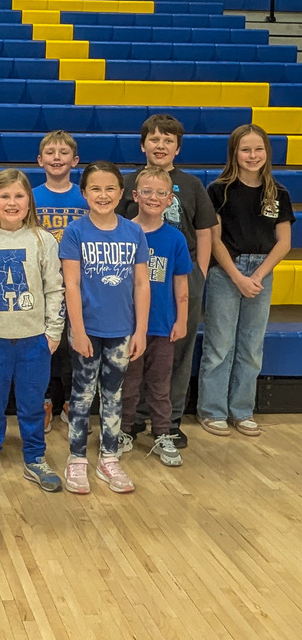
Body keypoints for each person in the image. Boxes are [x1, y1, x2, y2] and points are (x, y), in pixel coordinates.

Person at [0, 169, 65, 493]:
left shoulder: (42, 240)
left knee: (33, 401)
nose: (12, 202)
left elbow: (54, 289)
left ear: (29, 201)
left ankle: (35, 458)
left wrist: (53, 332)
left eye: (19, 196)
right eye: (4, 196)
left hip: (34, 339)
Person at [117, 114, 217, 449]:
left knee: (174, 351)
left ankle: (169, 422)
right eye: (154, 139)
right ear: (142, 144)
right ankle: (133, 419)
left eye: (168, 140)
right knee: (136, 349)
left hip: (180, 275)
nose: (161, 146)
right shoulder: (130, 182)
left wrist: (198, 273)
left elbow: (204, 232)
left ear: (178, 148)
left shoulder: (192, 186)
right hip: (137, 277)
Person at [58, 162, 149, 495]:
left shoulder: (133, 232)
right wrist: (77, 329)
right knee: (81, 396)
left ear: (122, 193)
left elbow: (142, 283)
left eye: (110, 188)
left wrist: (140, 330)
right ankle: (77, 458)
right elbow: (71, 284)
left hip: (122, 329)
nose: (103, 194)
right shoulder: (75, 232)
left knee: (113, 396)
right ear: (84, 194)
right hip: (87, 329)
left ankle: (109, 458)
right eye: (95, 188)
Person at [197, 124, 293, 438]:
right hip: (227, 272)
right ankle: (212, 411)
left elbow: (284, 242)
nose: (252, 156)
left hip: (261, 273)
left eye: (258, 149)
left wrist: (258, 276)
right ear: (234, 153)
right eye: (245, 149)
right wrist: (238, 277)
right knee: (220, 345)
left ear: (267, 152)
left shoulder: (278, 193)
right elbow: (215, 239)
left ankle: (242, 411)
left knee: (251, 346)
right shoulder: (219, 190)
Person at [119, 167, 192, 467]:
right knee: (129, 383)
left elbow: (181, 283)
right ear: (135, 195)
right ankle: (122, 432)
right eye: (146, 191)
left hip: (162, 326)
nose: (153, 197)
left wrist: (182, 319)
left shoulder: (174, 239)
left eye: (161, 193)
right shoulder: (123, 231)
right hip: (128, 326)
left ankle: (162, 433)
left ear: (170, 199)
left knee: (160, 385)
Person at [31, 130, 87, 429]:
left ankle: (71, 400)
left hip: (79, 284)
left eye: (63, 153)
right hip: (42, 284)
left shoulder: (85, 197)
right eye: (50, 153)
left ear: (74, 160)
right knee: (45, 345)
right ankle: (44, 401)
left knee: (74, 344)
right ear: (40, 160)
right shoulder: (31, 196)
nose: (56, 158)